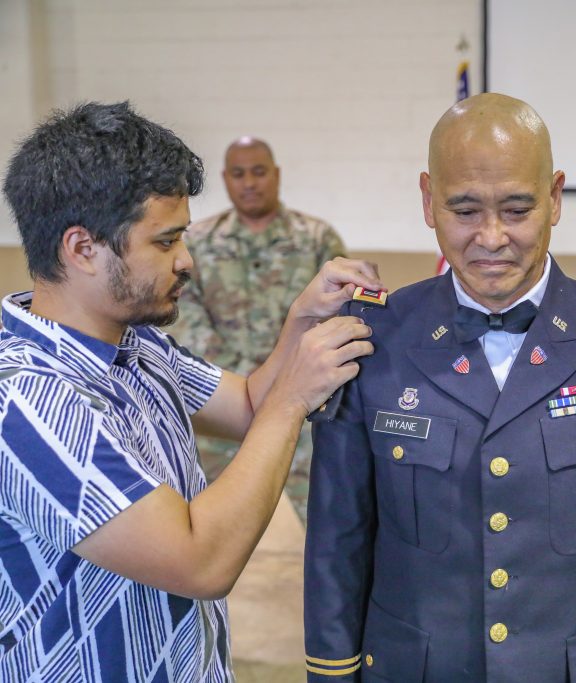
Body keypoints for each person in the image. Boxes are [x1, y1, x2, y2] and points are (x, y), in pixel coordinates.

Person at [304, 93, 576, 683]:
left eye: (517, 210)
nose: (491, 239)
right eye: (464, 210)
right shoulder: (375, 338)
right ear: (427, 200)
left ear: (555, 197)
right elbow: (337, 540)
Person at [0, 102, 380, 681]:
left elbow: (249, 404)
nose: (187, 261)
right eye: (164, 242)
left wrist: (302, 318)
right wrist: (294, 398)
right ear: (81, 249)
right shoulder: (30, 400)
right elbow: (201, 560)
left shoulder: (134, 343)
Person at [169, 137, 347, 525]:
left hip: (305, 403)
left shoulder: (316, 238)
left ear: (276, 175)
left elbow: (339, 312)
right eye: (238, 173)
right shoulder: (197, 241)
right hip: (223, 400)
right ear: (226, 180)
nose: (249, 182)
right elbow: (187, 318)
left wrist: (290, 378)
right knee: (204, 523)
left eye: (259, 171)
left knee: (329, 515)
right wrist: (247, 383)